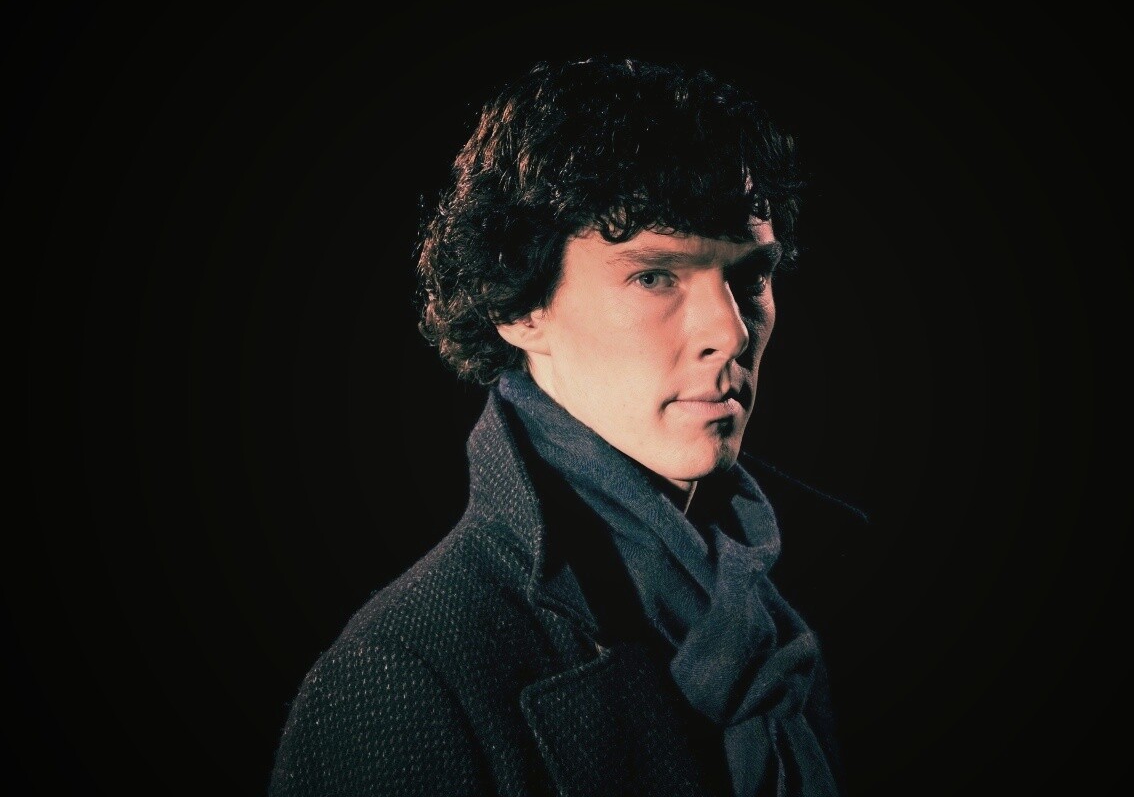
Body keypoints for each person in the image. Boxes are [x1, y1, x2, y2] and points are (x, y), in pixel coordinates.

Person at [269, 56, 868, 797]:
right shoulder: (405, 676)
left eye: (749, 278)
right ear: (519, 305)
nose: (730, 331)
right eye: (654, 276)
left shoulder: (838, 579)